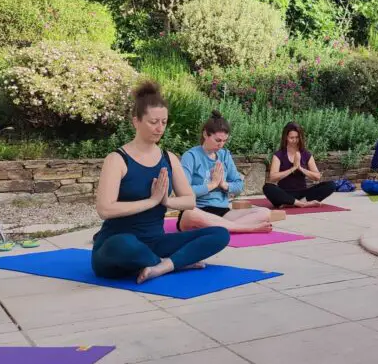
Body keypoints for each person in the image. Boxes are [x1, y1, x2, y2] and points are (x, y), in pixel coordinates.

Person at [92, 82, 230, 284]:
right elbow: (105, 209)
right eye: (153, 122)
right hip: (117, 246)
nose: (159, 128)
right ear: (136, 121)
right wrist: (151, 201)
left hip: (156, 242)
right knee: (124, 244)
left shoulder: (169, 158)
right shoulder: (117, 159)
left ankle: (163, 265)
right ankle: (178, 262)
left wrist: (165, 201)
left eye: (164, 122)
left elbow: (189, 200)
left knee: (220, 234)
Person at [177, 111, 275, 234]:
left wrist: (223, 184)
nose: (221, 145)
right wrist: (212, 185)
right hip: (197, 210)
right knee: (191, 214)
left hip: (222, 212)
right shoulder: (191, 156)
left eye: (224, 141)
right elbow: (184, 192)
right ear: (205, 134)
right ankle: (245, 228)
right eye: (218, 140)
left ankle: (221, 228)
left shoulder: (224, 155)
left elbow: (239, 185)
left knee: (264, 212)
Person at [262, 122, 337, 208]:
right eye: (291, 138)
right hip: (284, 193)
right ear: (286, 137)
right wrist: (292, 169)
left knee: (331, 185)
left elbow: (317, 176)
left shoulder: (306, 154)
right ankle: (300, 204)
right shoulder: (279, 155)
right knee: (267, 187)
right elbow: (273, 177)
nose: (294, 140)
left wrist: (300, 168)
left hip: (303, 194)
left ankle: (295, 202)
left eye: (297, 137)